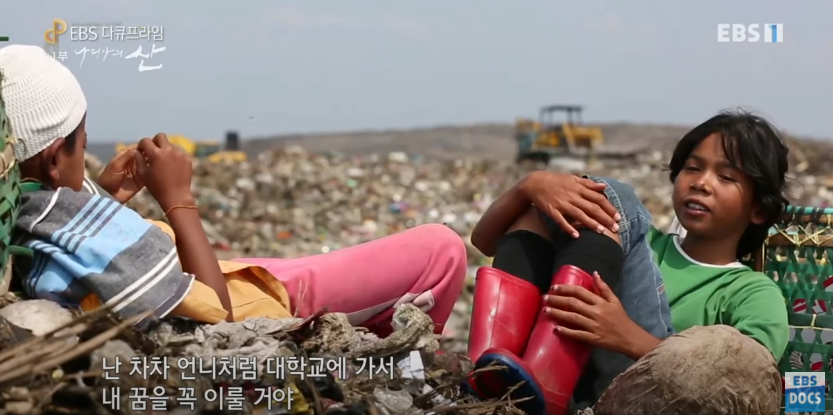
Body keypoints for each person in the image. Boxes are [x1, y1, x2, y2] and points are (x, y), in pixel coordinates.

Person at [0, 44, 467, 336]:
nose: (86, 152)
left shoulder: (26, 217)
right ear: (55, 157)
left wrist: (111, 198)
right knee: (442, 248)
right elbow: (218, 314)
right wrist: (178, 199)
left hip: (244, 275)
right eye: (83, 142)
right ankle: (397, 352)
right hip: (263, 302)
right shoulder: (104, 250)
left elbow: (81, 238)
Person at [466, 110, 790, 414]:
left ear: (759, 209)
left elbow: (746, 386)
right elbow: (485, 242)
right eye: (693, 168)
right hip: (579, 391)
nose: (701, 182)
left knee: (618, 201)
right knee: (552, 206)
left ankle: (542, 379)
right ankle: (490, 374)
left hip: (649, 400)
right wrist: (530, 187)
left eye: (726, 177)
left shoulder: (751, 291)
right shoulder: (639, 246)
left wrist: (626, 337)